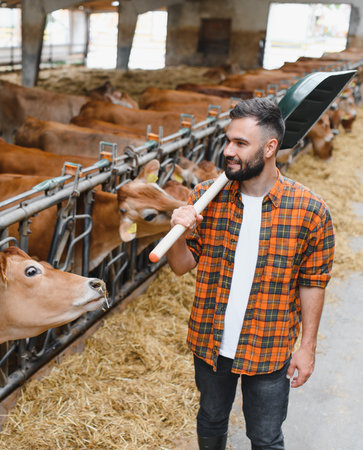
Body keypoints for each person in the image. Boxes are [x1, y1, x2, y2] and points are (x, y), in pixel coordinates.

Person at [166, 97, 335, 450]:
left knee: (266, 437)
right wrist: (178, 232)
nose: (229, 151)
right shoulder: (205, 199)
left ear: (270, 147)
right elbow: (181, 266)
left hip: (270, 346)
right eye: (228, 140)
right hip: (211, 342)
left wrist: (307, 347)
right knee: (211, 418)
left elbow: (313, 282)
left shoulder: (310, 211)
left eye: (240, 143)